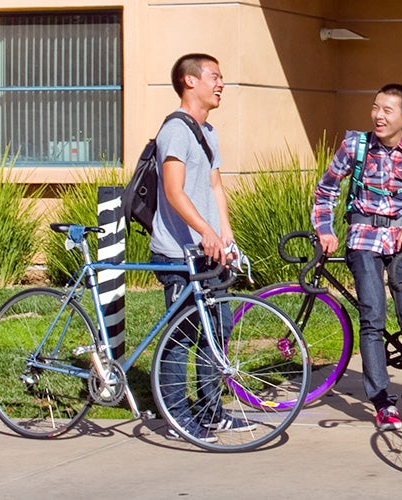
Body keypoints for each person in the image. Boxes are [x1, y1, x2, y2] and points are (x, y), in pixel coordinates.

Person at [313, 83, 402, 431]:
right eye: (375, 108)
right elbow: (326, 189)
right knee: (372, 317)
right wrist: (325, 229)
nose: (378, 116)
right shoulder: (355, 146)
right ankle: (382, 402)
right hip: (364, 237)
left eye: (387, 110)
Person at [151, 53, 253, 443]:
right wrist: (205, 232)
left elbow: (214, 186)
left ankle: (212, 410)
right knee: (182, 337)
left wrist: (224, 234)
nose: (221, 83)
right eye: (214, 76)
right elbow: (174, 192)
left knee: (218, 329)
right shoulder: (175, 131)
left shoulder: (207, 131)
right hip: (178, 252)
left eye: (222, 76)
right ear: (189, 81)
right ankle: (178, 417)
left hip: (209, 251)